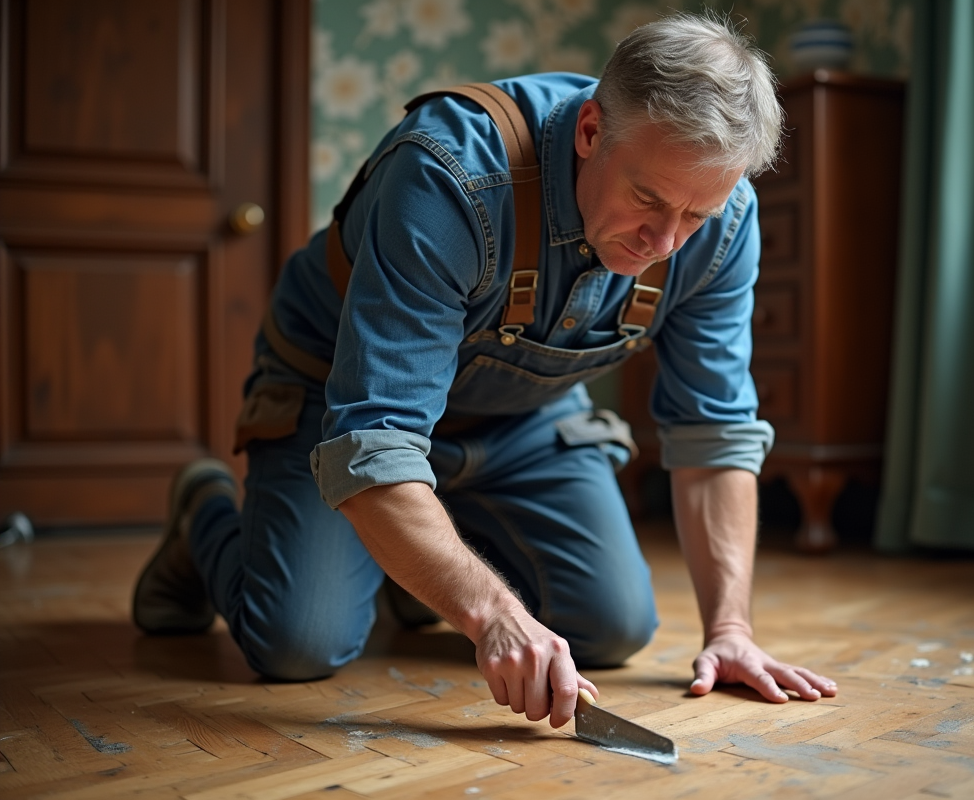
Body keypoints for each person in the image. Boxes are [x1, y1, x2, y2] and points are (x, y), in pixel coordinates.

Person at [133, 13, 837, 730]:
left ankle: (414, 564)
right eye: (648, 200)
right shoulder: (451, 175)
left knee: (614, 628)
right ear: (591, 131)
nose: (665, 242)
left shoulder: (723, 216)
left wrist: (730, 631)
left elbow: (712, 429)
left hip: (522, 414)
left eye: (695, 215)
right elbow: (374, 438)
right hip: (338, 402)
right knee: (296, 643)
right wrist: (494, 613)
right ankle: (205, 516)